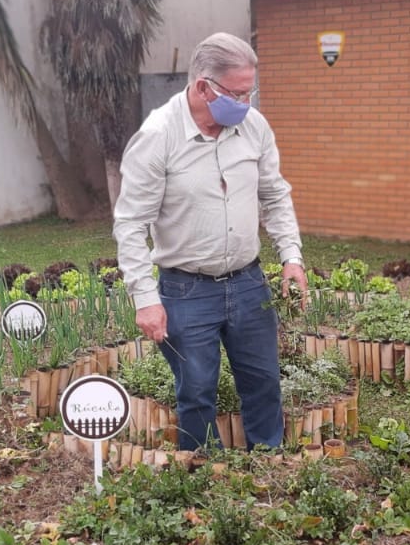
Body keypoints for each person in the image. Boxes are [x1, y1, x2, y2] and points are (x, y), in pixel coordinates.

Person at [113, 32, 308, 450]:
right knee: (197, 390)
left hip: (248, 281)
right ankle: (202, 479)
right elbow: (131, 224)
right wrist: (145, 298)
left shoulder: (253, 127)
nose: (247, 103)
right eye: (238, 94)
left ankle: (269, 462)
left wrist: (292, 258)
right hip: (187, 289)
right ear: (204, 86)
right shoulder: (158, 137)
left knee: (264, 381)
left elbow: (274, 195)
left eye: (250, 91)